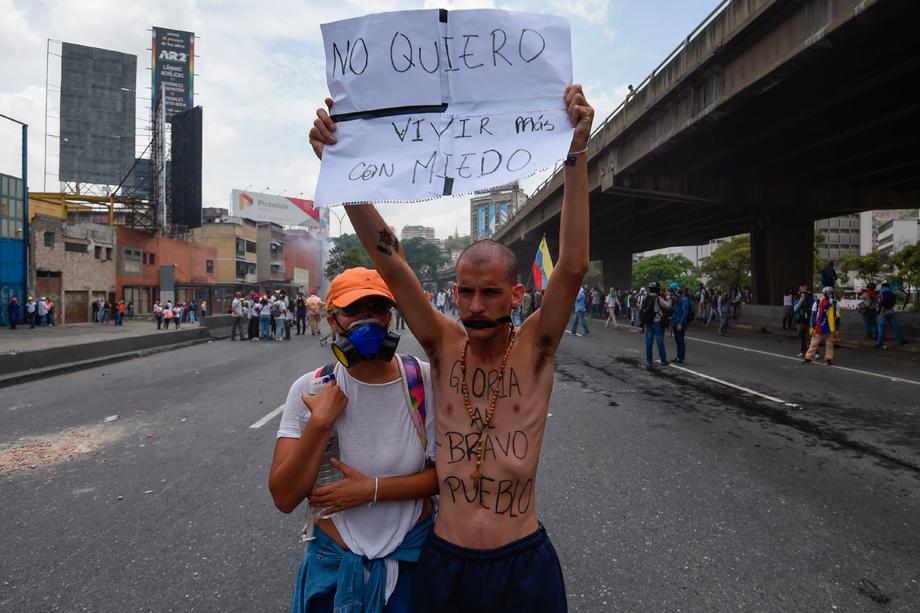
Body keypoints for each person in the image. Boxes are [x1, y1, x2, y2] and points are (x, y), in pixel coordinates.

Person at [308, 83, 592, 611]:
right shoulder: (443, 344)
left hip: (521, 562)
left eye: (490, 293)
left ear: (517, 294)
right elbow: (389, 259)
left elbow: (573, 266)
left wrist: (576, 150)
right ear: (454, 291)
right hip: (446, 559)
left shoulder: (535, 350)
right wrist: (340, 168)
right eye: (466, 292)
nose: (477, 305)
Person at [269, 267, 437, 613]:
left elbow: (449, 477)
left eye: (377, 307)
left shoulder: (422, 381)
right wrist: (319, 424)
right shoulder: (310, 389)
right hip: (333, 569)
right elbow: (284, 497)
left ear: (390, 317)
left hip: (411, 567)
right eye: (353, 310)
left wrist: (371, 490)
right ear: (332, 321)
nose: (368, 319)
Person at [803, 286, 840, 365]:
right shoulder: (818, 302)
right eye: (828, 293)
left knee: (830, 343)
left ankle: (828, 359)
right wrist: (812, 326)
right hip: (819, 325)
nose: (830, 295)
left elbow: (837, 317)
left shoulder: (835, 303)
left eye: (831, 293)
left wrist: (837, 329)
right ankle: (808, 358)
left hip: (830, 326)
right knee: (814, 343)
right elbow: (813, 316)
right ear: (824, 293)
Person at [640, 281, 671, 365]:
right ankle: (663, 360)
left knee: (649, 342)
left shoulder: (646, 297)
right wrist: (668, 298)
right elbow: (668, 306)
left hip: (648, 322)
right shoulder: (658, 298)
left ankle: (649, 360)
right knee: (660, 341)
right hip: (657, 322)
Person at [876, 281, 907, 348]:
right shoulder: (891, 292)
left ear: (883, 286)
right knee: (895, 327)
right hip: (890, 312)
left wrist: (882, 311)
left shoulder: (884, 292)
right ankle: (901, 340)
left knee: (881, 328)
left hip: (883, 312)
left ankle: (880, 342)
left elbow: (884, 302)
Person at [668, 283, 689, 364]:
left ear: (675, 290)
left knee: (680, 340)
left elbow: (685, 313)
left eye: (671, 291)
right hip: (675, 322)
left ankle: (681, 357)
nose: (670, 292)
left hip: (680, 323)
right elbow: (674, 310)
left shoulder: (684, 299)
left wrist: (680, 323)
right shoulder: (676, 299)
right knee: (677, 340)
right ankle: (678, 356)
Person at [793, 287, 815, 358]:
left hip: (809, 321)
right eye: (802, 292)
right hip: (801, 321)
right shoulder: (797, 299)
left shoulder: (810, 300)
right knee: (802, 336)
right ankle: (803, 351)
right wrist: (800, 301)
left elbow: (814, 308)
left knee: (811, 337)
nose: (803, 294)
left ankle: (815, 352)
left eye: (805, 292)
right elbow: (795, 308)